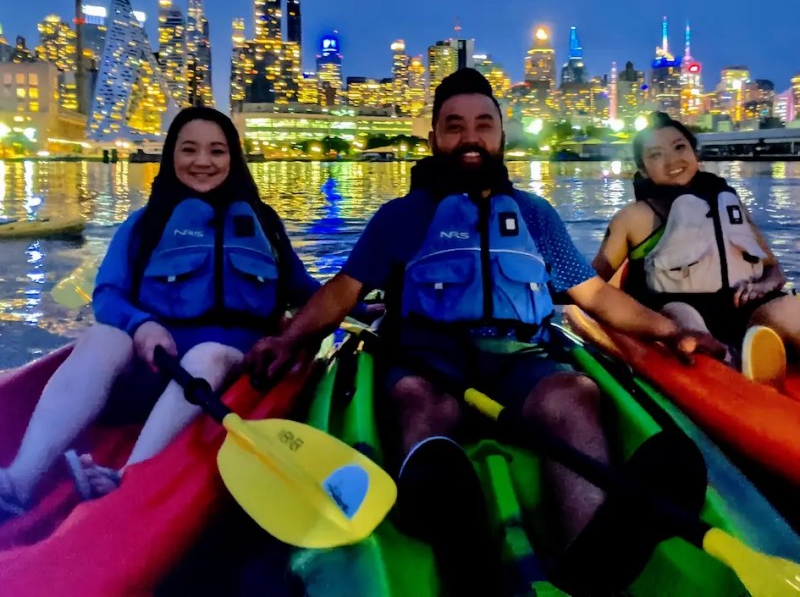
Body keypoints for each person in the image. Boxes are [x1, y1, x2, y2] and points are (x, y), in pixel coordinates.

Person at [248, 69, 723, 595]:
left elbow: (595, 295)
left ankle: (591, 560)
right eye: (454, 127)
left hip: (520, 357)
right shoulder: (402, 216)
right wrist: (290, 342)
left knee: (574, 394)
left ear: (501, 135)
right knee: (417, 399)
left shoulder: (535, 216)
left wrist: (671, 331)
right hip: (431, 359)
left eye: (482, 125)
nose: (470, 138)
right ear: (433, 140)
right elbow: (342, 294)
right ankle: (454, 531)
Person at [0, 106, 320, 517]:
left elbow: (304, 291)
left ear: (233, 159)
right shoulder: (144, 224)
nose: (202, 161)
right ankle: (19, 481)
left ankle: (129, 478)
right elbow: (109, 295)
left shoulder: (265, 225)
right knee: (102, 336)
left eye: (217, 151)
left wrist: (360, 299)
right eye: (189, 150)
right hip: (153, 369)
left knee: (209, 352)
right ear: (171, 156)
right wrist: (143, 325)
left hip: (222, 374)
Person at [593, 111, 800, 386]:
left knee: (787, 308)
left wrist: (765, 285)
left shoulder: (730, 204)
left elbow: (772, 267)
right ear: (643, 169)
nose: (673, 160)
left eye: (680, 147)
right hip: (680, 314)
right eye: (656, 155)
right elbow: (594, 284)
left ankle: (756, 351)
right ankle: (726, 364)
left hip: (743, 309)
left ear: (695, 153)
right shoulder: (634, 217)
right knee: (682, 317)